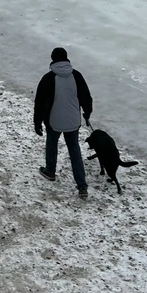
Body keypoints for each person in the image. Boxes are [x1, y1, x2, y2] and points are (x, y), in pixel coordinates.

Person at [33, 47, 93, 199]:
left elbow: (39, 102)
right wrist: (87, 112)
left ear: (52, 59)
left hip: (53, 120)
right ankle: (82, 186)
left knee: (52, 144)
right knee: (74, 149)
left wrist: (37, 122)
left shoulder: (48, 78)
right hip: (73, 120)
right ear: (66, 58)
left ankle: (50, 171)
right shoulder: (76, 75)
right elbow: (86, 96)